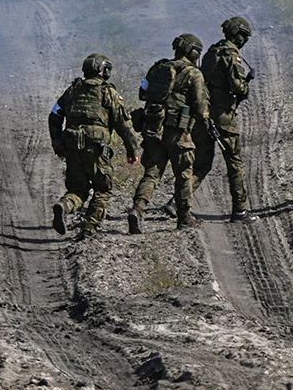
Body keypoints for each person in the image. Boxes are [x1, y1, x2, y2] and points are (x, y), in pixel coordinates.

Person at [49, 53, 140, 240]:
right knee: (103, 189)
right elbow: (124, 125)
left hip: (72, 145)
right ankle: (89, 228)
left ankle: (65, 205)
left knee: (77, 189)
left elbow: (55, 115)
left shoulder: (72, 90)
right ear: (102, 71)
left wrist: (58, 143)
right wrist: (132, 151)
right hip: (96, 148)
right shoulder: (108, 93)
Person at [127, 34, 210, 232]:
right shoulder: (194, 74)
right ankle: (184, 218)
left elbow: (142, 92)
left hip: (154, 129)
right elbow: (200, 109)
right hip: (178, 133)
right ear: (194, 52)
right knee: (183, 175)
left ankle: (138, 210)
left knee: (152, 173)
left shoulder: (158, 68)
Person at [192, 16, 258, 223]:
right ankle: (240, 210)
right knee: (234, 164)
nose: (244, 41)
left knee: (202, 165)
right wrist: (245, 86)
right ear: (238, 35)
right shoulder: (231, 55)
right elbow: (238, 86)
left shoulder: (212, 52)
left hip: (204, 115)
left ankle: (177, 201)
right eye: (244, 37)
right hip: (223, 117)